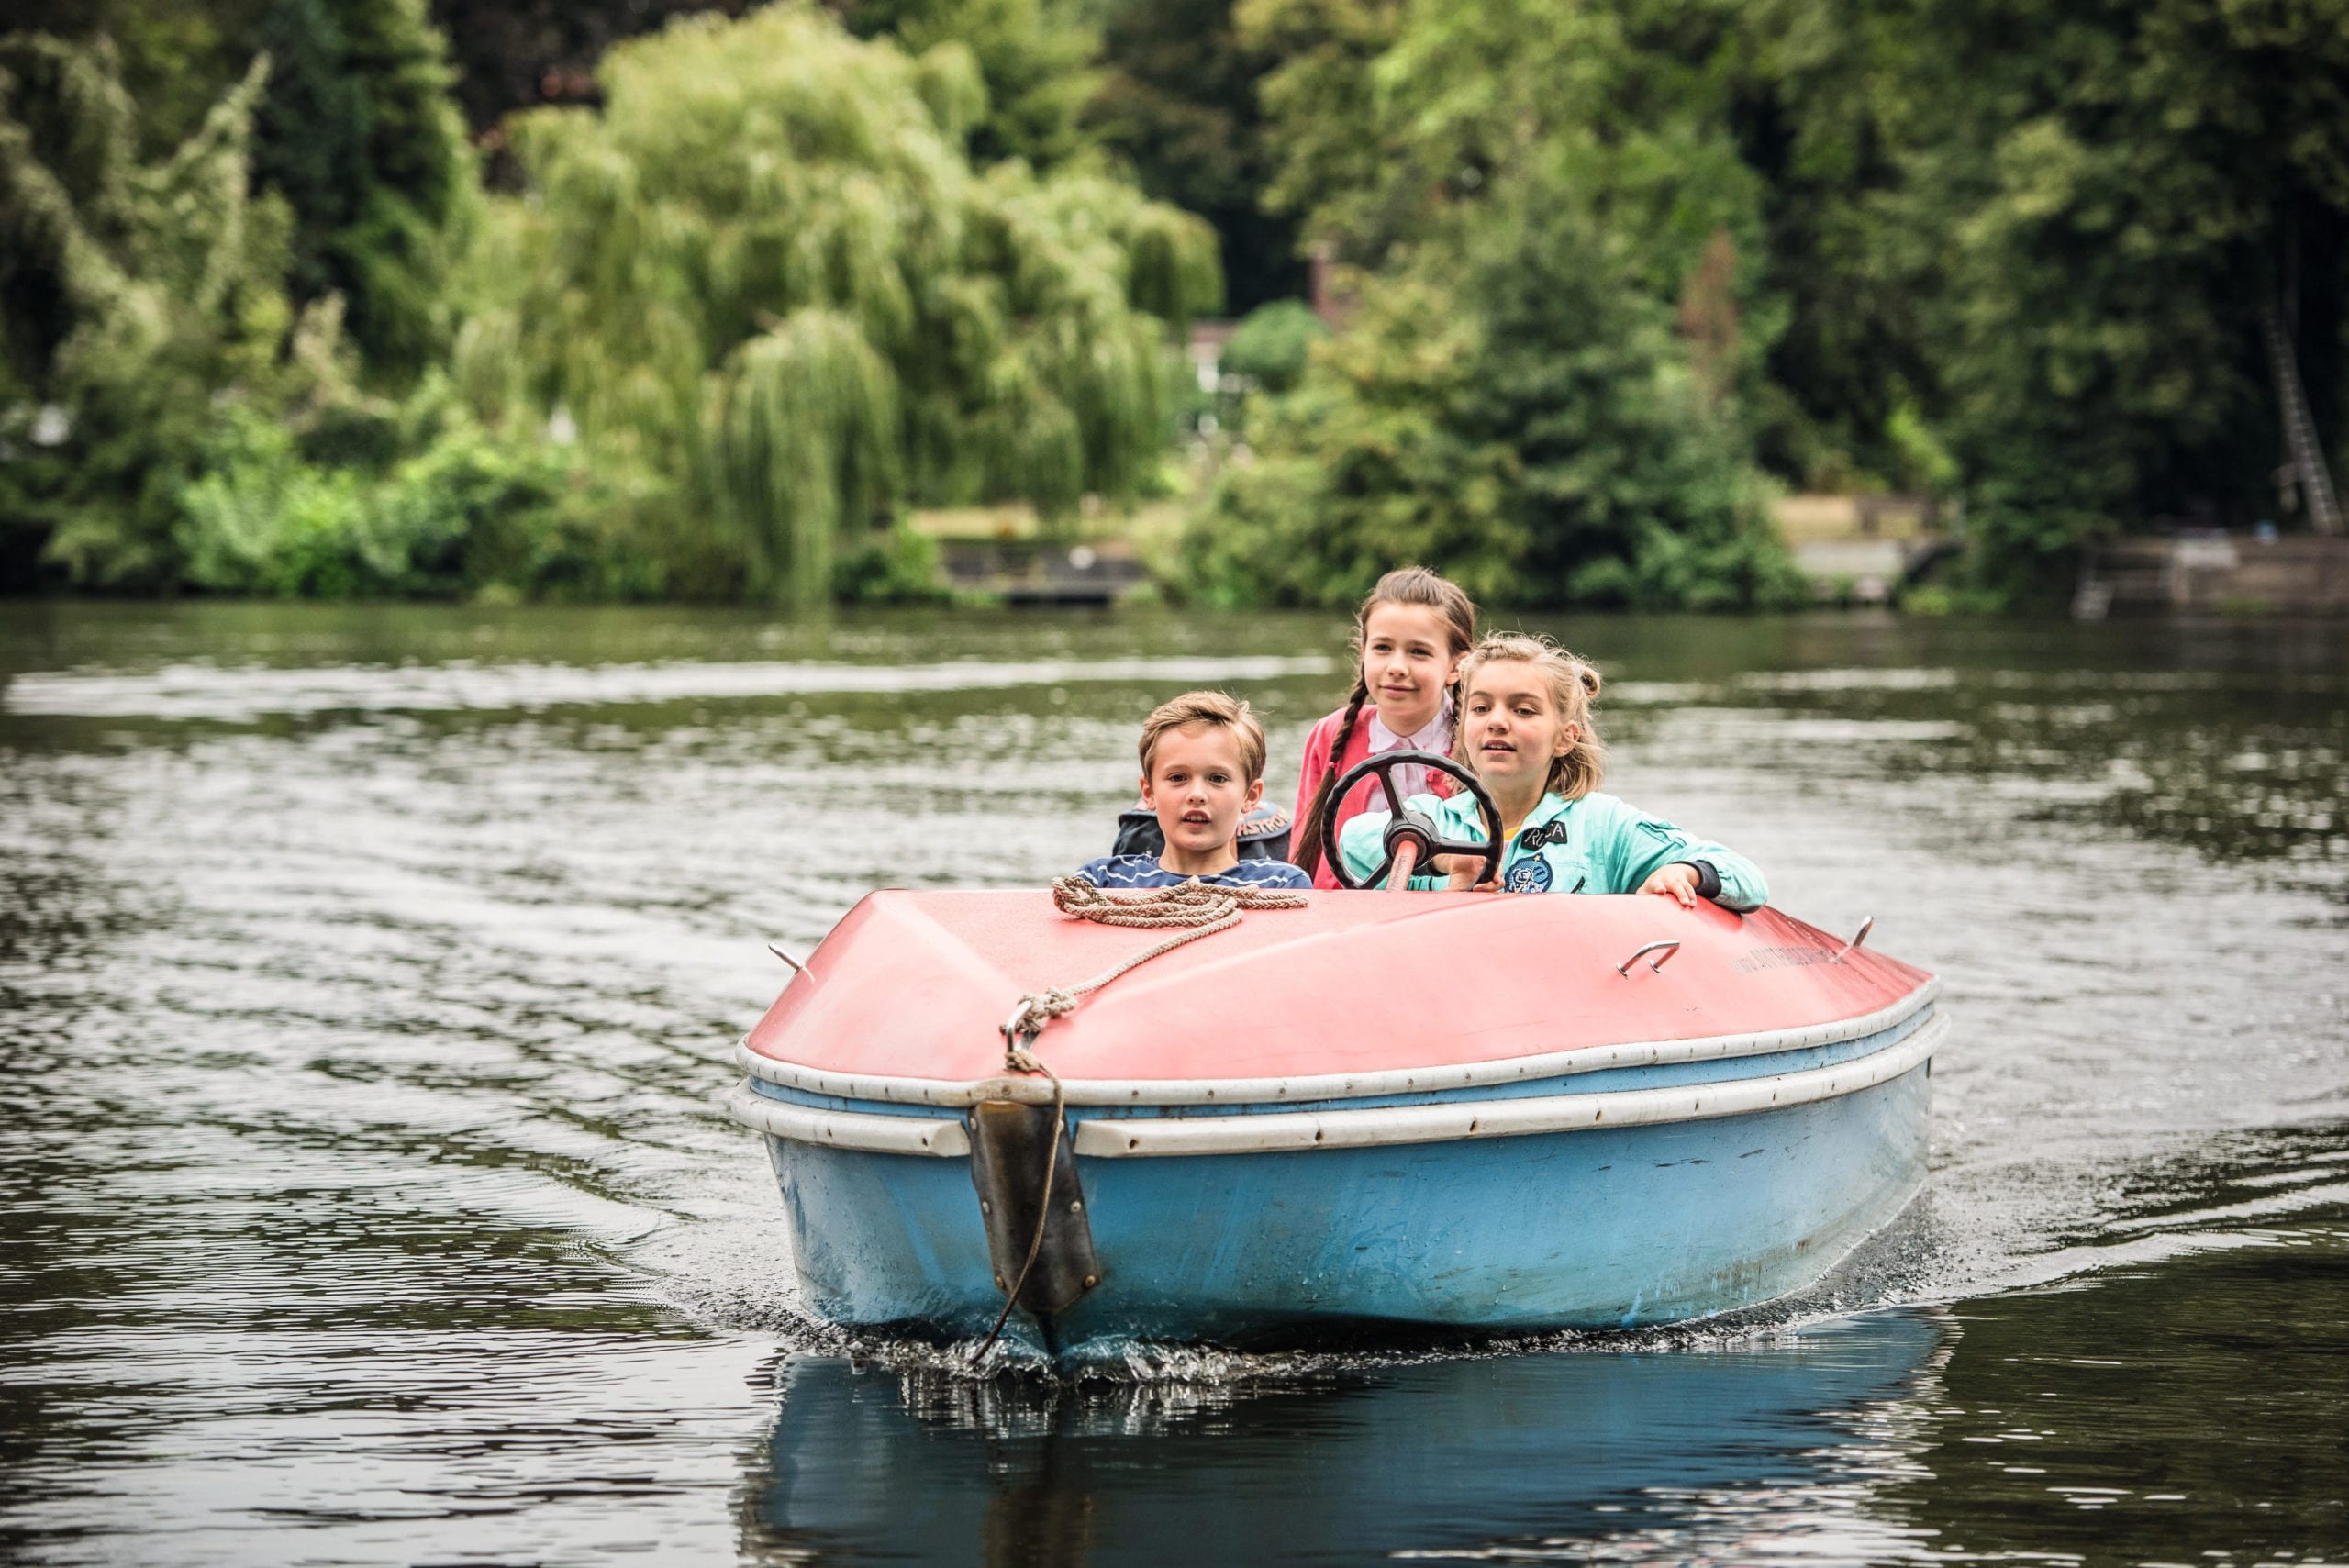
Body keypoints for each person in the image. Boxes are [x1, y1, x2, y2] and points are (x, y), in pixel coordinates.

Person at [1336, 633, 1766, 909]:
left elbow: (1745, 877)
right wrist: (1441, 861)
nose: (1497, 721)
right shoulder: (1433, 819)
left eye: (1523, 710)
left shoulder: (1603, 825)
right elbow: (1352, 842)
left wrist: (1685, 873)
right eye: (1481, 707)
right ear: (1463, 725)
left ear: (1565, 737)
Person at [1287, 566, 1479, 889]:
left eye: (1418, 652)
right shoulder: (1329, 733)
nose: (1396, 667)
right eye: (1382, 648)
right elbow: (1306, 848)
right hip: (1348, 911)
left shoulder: (1478, 737)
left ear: (1455, 666)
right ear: (1362, 652)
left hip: (1448, 910)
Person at [1078, 692, 1314, 890]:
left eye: (1217, 778)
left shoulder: (1281, 885)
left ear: (1250, 797)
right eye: (1178, 777)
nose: (1197, 794)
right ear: (1149, 794)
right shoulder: (1102, 881)